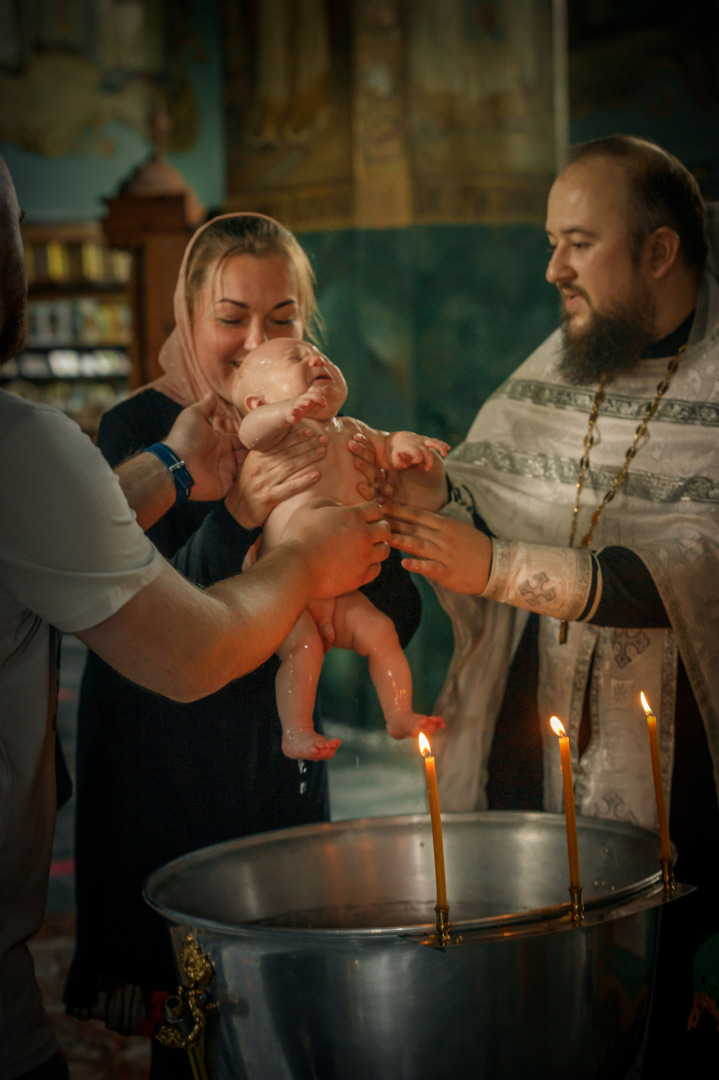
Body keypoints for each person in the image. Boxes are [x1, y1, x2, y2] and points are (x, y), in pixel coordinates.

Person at [0, 155, 390, 1080]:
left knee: (287, 1021)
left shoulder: (327, 429)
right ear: (188, 317)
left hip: (276, 760)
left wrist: (370, 551)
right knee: (192, 1013)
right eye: (231, 316)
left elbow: (387, 590)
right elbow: (164, 617)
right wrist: (248, 515)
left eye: (283, 318)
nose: (256, 338)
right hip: (165, 768)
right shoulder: (138, 429)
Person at [383, 135, 719, 1070]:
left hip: (681, 764)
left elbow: (700, 569)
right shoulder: (566, 360)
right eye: (549, 241)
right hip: (531, 735)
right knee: (536, 994)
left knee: (665, 1015)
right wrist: (430, 493)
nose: (551, 270)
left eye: (577, 242)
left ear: (658, 251)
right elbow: (488, 489)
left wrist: (497, 565)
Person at [232, 336, 448, 759]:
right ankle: (295, 731)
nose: (315, 358)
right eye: (296, 358)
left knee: (381, 632)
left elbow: (385, 444)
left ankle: (399, 713)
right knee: (304, 649)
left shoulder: (350, 430)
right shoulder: (277, 436)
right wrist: (283, 415)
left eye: (321, 355)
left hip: (344, 589)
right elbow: (249, 430)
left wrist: (404, 446)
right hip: (286, 588)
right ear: (260, 402)